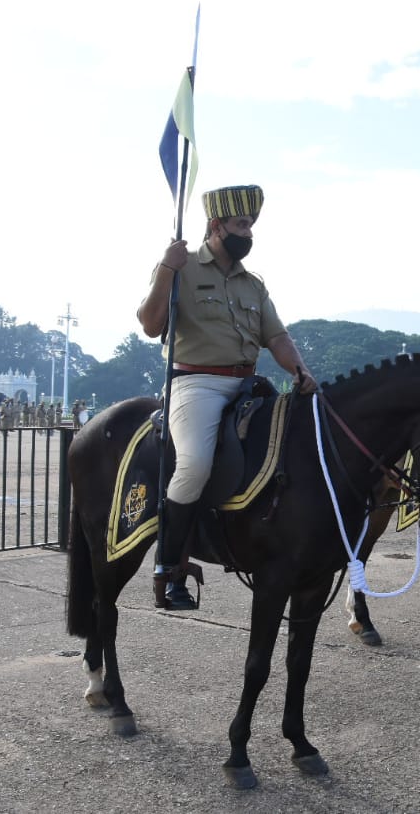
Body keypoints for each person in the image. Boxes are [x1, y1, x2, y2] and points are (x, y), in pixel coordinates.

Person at [136, 184, 317, 611]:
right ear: (216, 226)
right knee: (195, 462)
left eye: (251, 225)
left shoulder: (253, 284)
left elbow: (276, 336)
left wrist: (301, 371)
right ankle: (169, 566)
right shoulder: (181, 268)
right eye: (241, 224)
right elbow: (149, 323)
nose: (248, 233)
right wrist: (166, 267)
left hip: (248, 383)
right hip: (196, 382)